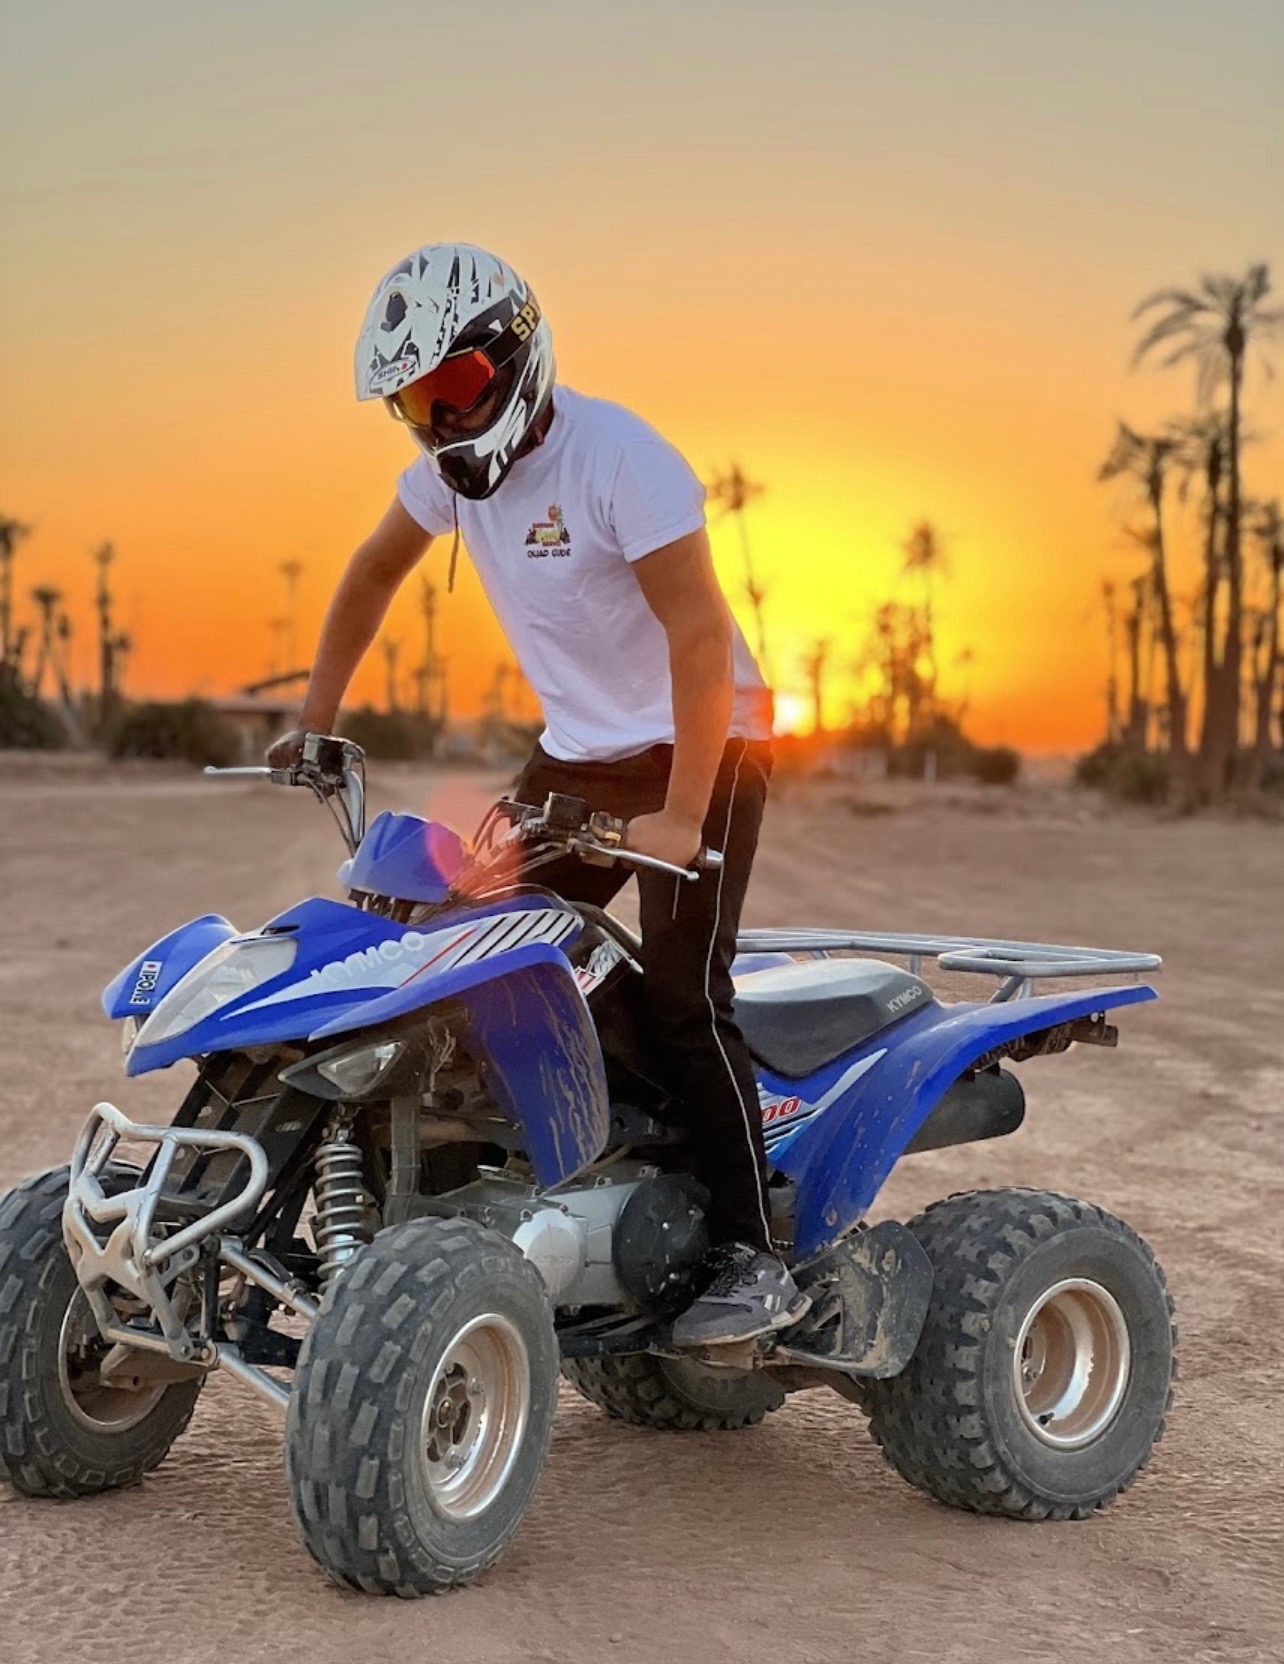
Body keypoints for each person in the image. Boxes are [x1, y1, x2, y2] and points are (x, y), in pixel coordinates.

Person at [268, 241, 808, 1346]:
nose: (439, 421)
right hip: (576, 756)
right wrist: (317, 718)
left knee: (680, 992)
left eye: (455, 389)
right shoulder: (439, 479)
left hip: (702, 743)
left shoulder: (621, 460)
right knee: (462, 945)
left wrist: (683, 813)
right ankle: (555, 1171)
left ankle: (757, 1252)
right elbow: (372, 571)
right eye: (415, 403)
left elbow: (702, 637)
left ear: (514, 358)